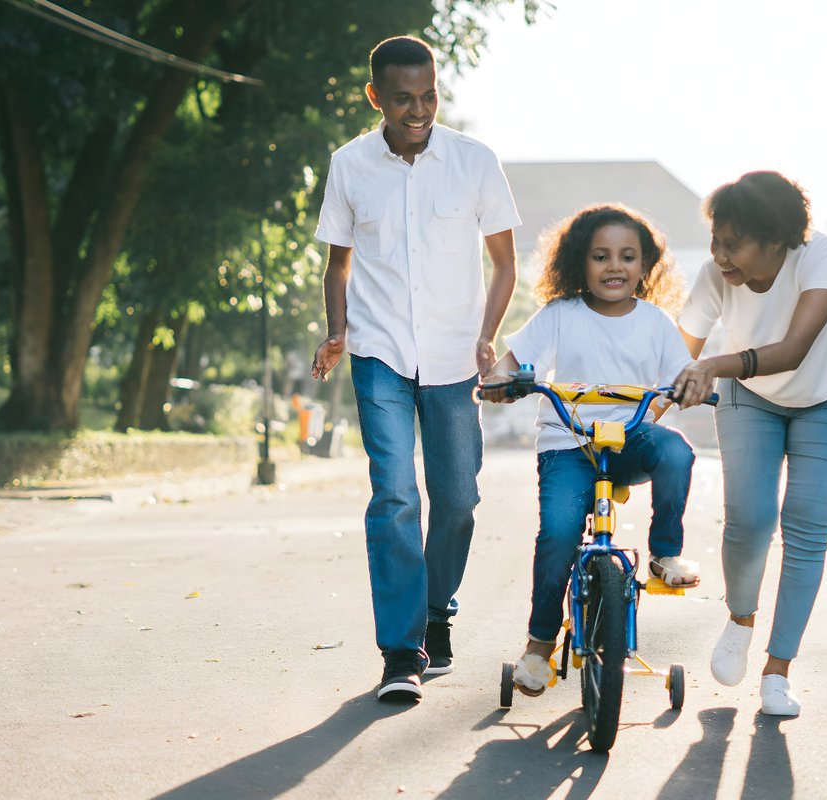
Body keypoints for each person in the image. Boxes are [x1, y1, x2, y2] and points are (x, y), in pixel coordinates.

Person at [310, 35, 520, 701]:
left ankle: (437, 613)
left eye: (428, 95)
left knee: (457, 499)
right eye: (403, 99)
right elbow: (338, 261)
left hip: (456, 355)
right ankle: (403, 651)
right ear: (376, 97)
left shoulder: (474, 161)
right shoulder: (349, 165)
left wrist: (488, 337)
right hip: (379, 354)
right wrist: (338, 332)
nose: (419, 109)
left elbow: (505, 262)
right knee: (396, 494)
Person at [480, 204, 699, 697]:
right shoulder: (560, 315)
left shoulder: (657, 323)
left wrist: (691, 386)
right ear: (580, 262)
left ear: (645, 266)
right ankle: (539, 645)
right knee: (558, 534)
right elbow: (514, 361)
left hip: (628, 438)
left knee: (677, 453)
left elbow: (682, 374)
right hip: (568, 443)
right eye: (601, 256)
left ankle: (665, 554)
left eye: (627, 256)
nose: (614, 267)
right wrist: (500, 379)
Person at [671, 171, 827, 717]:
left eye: (733, 243)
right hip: (749, 398)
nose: (719, 255)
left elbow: (795, 349)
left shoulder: (820, 257)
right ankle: (740, 618)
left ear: (776, 240)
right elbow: (676, 354)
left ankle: (778, 670)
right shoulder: (716, 276)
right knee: (750, 519)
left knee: (805, 525)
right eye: (715, 240)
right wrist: (645, 409)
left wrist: (711, 364)